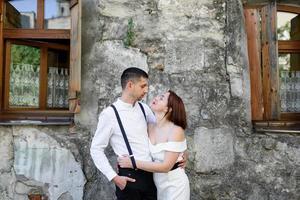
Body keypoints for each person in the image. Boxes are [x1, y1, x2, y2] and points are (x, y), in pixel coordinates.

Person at [90, 67, 186, 200]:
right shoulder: (110, 114)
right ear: (130, 85)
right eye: (143, 86)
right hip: (129, 179)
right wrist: (114, 177)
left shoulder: (144, 108)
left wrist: (180, 154)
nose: (146, 90)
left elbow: (163, 133)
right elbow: (96, 149)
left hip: (151, 177)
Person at [118, 90, 190, 200]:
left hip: (175, 186)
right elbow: (134, 143)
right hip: (158, 184)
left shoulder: (175, 130)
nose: (156, 97)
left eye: (162, 98)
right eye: (159, 95)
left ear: (168, 109)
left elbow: (166, 167)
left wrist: (132, 163)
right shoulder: (149, 126)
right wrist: (120, 157)